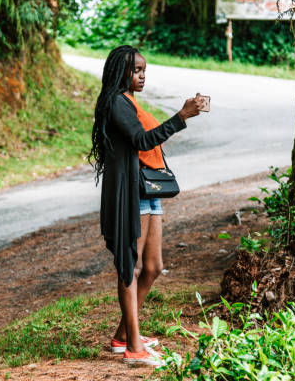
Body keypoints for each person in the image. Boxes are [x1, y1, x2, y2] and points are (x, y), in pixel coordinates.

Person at [88, 45, 203, 366]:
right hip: (132, 192)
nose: (141, 76)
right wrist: (180, 117)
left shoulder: (130, 102)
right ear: (119, 72)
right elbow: (142, 140)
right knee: (132, 267)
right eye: (136, 71)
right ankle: (134, 348)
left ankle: (123, 335)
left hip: (150, 189)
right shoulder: (115, 103)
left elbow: (147, 140)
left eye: (144, 71)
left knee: (152, 266)